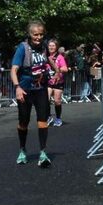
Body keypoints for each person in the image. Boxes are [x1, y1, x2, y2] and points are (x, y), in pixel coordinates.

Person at [10, 21, 58, 168]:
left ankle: (43, 152)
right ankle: (22, 149)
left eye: (41, 34)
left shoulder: (44, 47)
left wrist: (56, 70)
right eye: (35, 34)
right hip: (25, 90)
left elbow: (48, 58)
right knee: (23, 122)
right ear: (29, 35)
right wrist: (17, 87)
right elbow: (14, 69)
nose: (38, 37)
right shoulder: (22, 48)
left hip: (41, 89)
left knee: (42, 120)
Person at [45, 39, 69, 127]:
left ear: (56, 47)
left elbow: (65, 69)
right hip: (48, 82)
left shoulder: (59, 57)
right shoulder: (45, 57)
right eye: (49, 46)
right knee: (45, 99)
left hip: (58, 82)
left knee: (57, 101)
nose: (51, 47)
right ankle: (48, 117)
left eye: (53, 46)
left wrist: (57, 70)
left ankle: (58, 118)